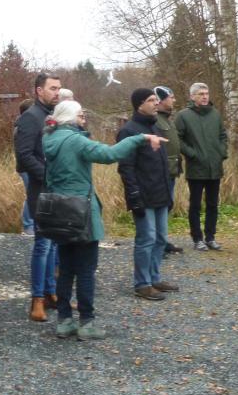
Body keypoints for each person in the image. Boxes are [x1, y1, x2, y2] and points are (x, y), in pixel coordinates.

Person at [45, 100, 168, 339]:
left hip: (59, 212)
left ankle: (64, 321)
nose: (83, 119)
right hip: (81, 213)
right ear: (70, 118)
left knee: (66, 268)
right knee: (86, 270)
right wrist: (141, 138)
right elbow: (110, 154)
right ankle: (87, 323)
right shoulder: (76, 141)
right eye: (81, 116)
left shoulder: (49, 139)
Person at [117, 88, 180, 301]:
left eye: (156, 99)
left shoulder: (155, 127)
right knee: (146, 239)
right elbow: (126, 167)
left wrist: (168, 195)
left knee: (161, 238)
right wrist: (134, 195)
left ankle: (154, 278)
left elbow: (161, 164)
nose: (156, 103)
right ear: (139, 104)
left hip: (160, 193)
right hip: (143, 195)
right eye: (151, 100)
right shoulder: (129, 131)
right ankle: (142, 284)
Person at [14, 73, 61, 321]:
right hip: (41, 190)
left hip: (56, 190)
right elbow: (24, 155)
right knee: (42, 245)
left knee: (54, 244)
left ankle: (52, 294)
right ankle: (37, 300)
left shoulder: (52, 116)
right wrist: (48, 175)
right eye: (52, 88)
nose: (57, 92)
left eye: (59, 88)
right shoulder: (31, 117)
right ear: (38, 91)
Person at [175, 82, 228, 252]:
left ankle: (210, 237)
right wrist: (192, 154)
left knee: (213, 204)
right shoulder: (183, 116)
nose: (204, 96)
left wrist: (221, 152)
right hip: (196, 168)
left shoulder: (215, 114)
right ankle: (197, 238)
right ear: (192, 96)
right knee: (195, 205)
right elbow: (178, 139)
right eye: (200, 94)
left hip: (215, 167)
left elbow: (222, 136)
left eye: (206, 93)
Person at [153, 85, 183, 255]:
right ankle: (158, 245)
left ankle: (162, 241)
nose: (174, 100)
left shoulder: (167, 119)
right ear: (161, 100)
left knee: (167, 207)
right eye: (171, 97)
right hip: (161, 172)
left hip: (171, 170)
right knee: (161, 208)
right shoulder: (156, 120)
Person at [17, 99, 36, 236]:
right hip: (26, 167)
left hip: (30, 165)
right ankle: (28, 226)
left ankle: (31, 224)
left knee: (32, 194)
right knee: (31, 194)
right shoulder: (22, 126)